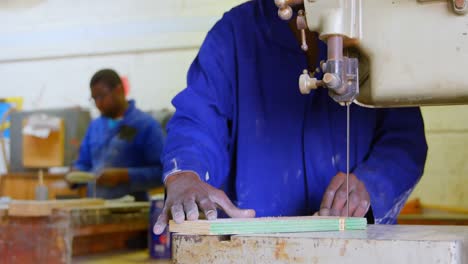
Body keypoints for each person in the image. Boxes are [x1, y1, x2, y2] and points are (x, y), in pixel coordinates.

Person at [154, 0, 427, 234]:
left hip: (357, 245)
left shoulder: (379, 26)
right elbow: (198, 119)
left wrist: (372, 185)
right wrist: (184, 173)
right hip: (252, 247)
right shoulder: (234, 35)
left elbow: (404, 139)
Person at [74, 69, 164, 201]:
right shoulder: (95, 126)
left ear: (118, 90)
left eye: (101, 96)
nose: (98, 104)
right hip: (96, 209)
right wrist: (75, 173)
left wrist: (125, 176)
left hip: (132, 212)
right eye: (94, 99)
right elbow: (84, 163)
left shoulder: (145, 125)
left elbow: (164, 172)